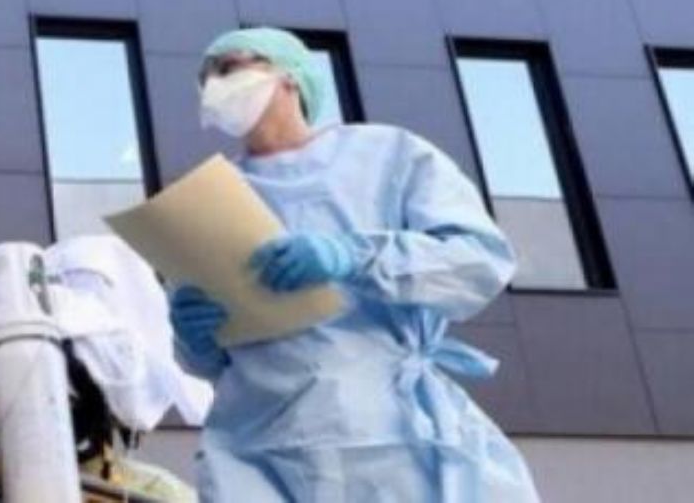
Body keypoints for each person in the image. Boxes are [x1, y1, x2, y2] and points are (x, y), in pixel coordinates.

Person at [168, 27, 539, 502]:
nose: (216, 86)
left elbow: (479, 261)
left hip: (385, 432)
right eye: (206, 78)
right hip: (256, 444)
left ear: (289, 76)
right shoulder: (209, 199)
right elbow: (207, 364)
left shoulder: (388, 156)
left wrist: (355, 257)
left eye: (229, 68)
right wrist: (193, 337)